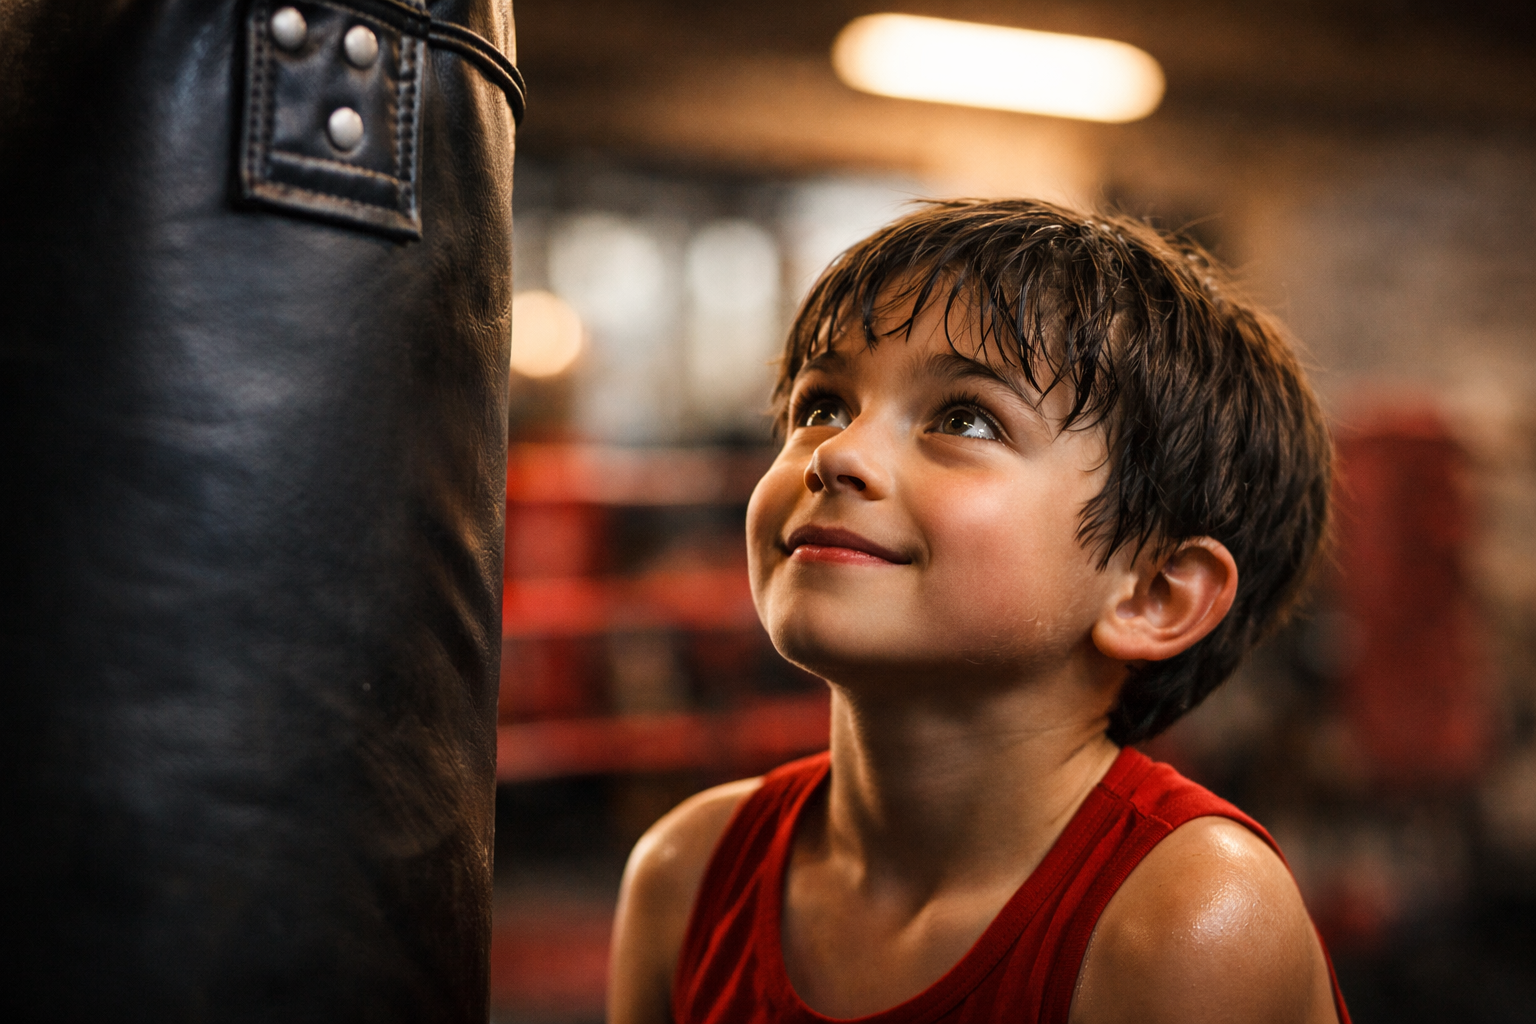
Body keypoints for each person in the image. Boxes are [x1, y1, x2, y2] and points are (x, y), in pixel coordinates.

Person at [607, 199, 1349, 1024]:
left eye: (965, 418)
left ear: (1152, 594)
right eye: (822, 405)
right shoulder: (687, 874)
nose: (838, 455)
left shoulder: (1187, 918)